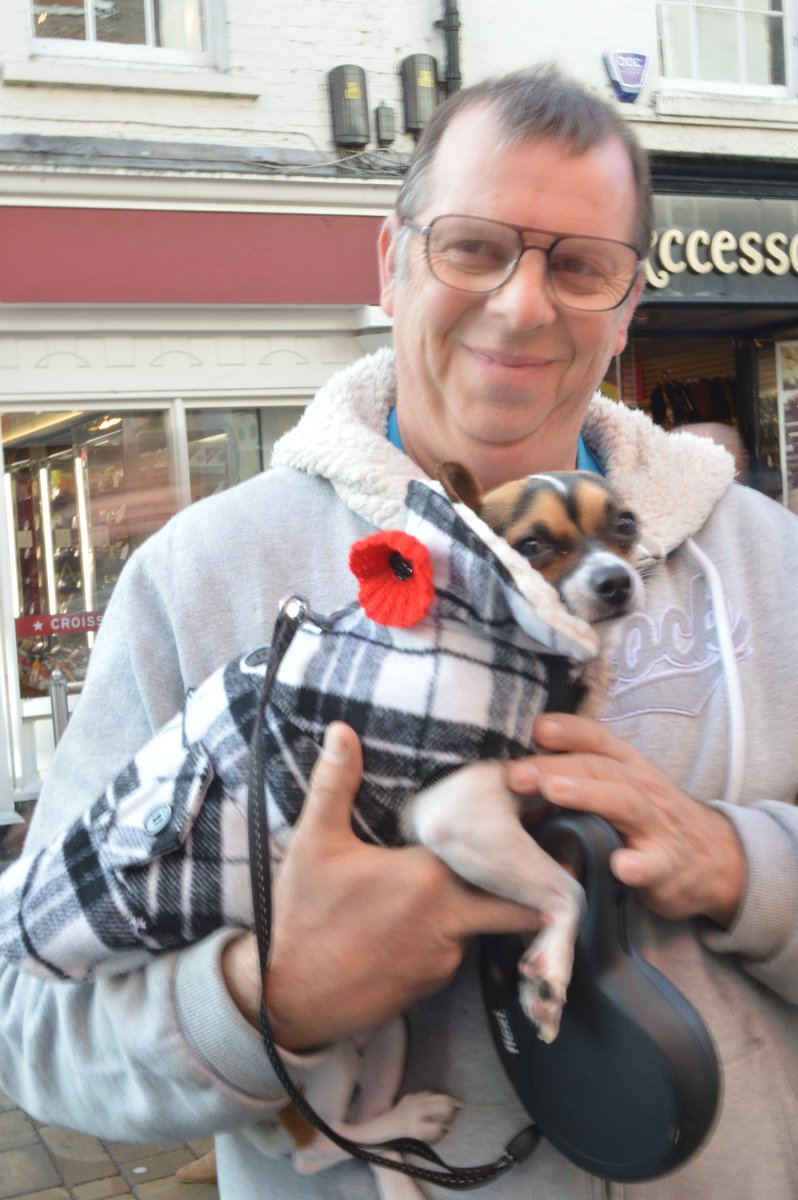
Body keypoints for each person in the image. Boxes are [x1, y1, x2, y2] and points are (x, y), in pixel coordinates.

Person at [2, 62, 798, 1199]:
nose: (523, 304)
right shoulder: (201, 576)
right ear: (392, 262)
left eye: (579, 266)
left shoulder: (768, 560)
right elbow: (28, 1017)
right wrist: (270, 997)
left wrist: (737, 863)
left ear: (627, 309)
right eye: (473, 246)